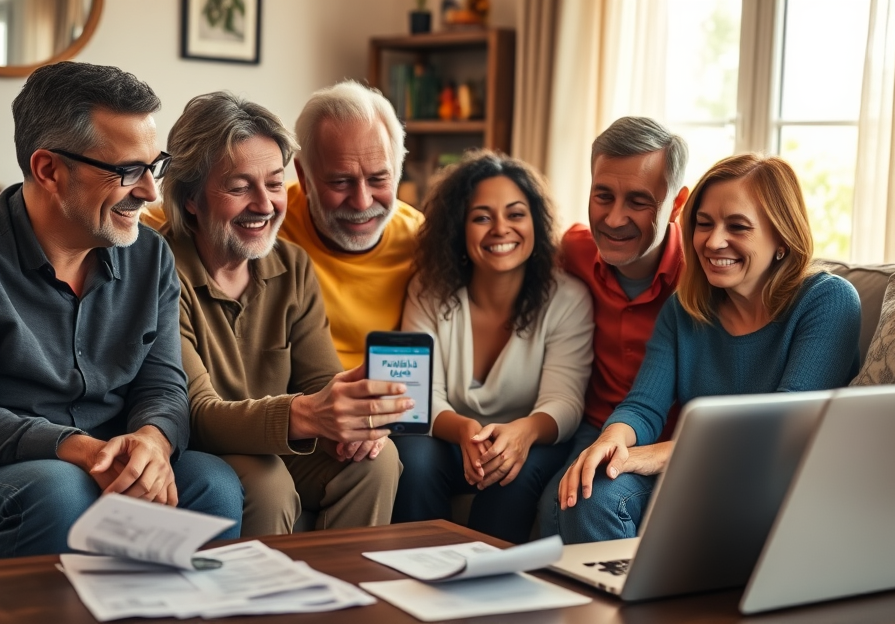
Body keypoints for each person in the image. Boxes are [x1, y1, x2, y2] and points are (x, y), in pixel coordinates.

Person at [0, 62, 243, 559]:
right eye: (128, 171)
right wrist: (81, 449)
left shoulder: (151, 255)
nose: (151, 192)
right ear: (48, 169)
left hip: (105, 451)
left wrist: (153, 443)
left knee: (212, 484)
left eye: (155, 166)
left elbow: (163, 386)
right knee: (59, 489)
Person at [557, 154, 862, 543]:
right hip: (698, 471)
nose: (713, 241)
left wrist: (660, 454)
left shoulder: (828, 300)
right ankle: (615, 603)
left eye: (737, 226)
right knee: (591, 493)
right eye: (703, 224)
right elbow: (643, 406)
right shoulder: (684, 309)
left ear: (782, 237)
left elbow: (784, 424)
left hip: (778, 479)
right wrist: (610, 442)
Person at [159, 91, 406, 536]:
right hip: (201, 444)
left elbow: (319, 381)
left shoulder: (292, 265)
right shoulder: (158, 268)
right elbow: (192, 411)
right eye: (239, 187)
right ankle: (266, 604)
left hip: (279, 440)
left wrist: (352, 417)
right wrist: (309, 415)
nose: (264, 204)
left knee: (377, 459)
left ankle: (347, 599)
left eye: (274, 184)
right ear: (192, 198)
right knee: (267, 484)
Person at [392, 150, 594, 543]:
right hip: (449, 436)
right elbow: (419, 395)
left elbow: (565, 401)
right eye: (482, 217)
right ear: (459, 228)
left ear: (535, 222)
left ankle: (490, 587)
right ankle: (419, 573)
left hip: (531, 439)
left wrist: (522, 433)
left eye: (516, 214)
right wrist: (464, 429)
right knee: (413, 457)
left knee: (512, 471)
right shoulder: (428, 291)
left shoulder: (569, 299)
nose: (501, 229)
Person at [538, 117, 689, 537]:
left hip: (669, 439)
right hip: (592, 423)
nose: (615, 218)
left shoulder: (702, 275)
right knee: (543, 507)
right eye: (603, 195)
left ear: (676, 204)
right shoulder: (574, 250)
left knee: (567, 509)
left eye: (638, 201)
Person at [279, 80, 423, 369]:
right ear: (303, 176)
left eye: (378, 179)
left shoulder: (423, 240)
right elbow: (169, 215)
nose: (361, 202)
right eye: (341, 181)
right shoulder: (266, 221)